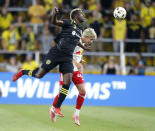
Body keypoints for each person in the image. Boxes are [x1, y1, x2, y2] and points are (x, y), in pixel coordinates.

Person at [12, 7, 88, 119]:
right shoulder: (68, 22)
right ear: (76, 15)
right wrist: (54, 15)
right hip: (56, 53)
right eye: (81, 14)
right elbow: (55, 22)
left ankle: (57, 107)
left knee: (67, 82)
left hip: (67, 57)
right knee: (39, 75)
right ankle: (23, 72)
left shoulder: (81, 29)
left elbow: (76, 41)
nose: (83, 16)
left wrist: (84, 47)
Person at [50, 28, 97, 125]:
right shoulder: (75, 40)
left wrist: (79, 60)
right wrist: (75, 62)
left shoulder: (83, 44)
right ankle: (53, 108)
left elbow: (75, 54)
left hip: (75, 68)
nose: (91, 42)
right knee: (63, 92)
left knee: (83, 91)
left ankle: (76, 114)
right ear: (86, 37)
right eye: (91, 39)